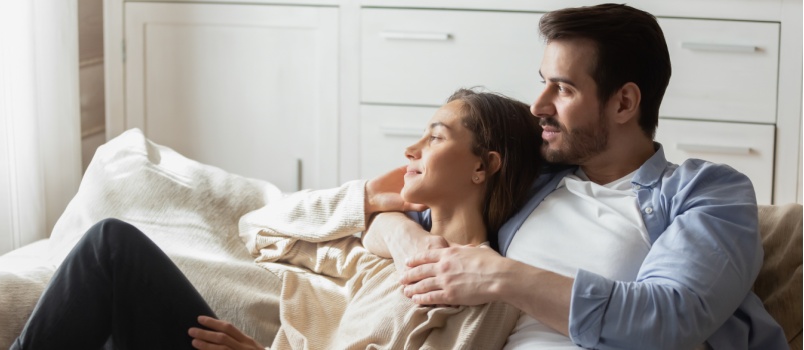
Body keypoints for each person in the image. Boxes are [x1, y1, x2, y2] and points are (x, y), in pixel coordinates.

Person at [360, 4, 789, 350]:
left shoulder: (707, 192)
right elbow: (388, 216)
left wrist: (499, 275)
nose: (538, 105)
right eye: (543, 83)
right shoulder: (530, 177)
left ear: (624, 103)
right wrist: (414, 245)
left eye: (563, 89)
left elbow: (670, 318)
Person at [11, 88, 543, 349]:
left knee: (111, 248)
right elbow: (260, 229)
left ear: (484, 165)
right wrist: (373, 207)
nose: (412, 148)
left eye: (435, 136)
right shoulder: (382, 258)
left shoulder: (485, 285)